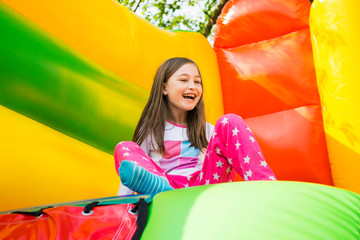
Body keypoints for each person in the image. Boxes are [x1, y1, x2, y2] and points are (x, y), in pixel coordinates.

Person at [114, 57, 276, 196]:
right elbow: (132, 168)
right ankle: (162, 188)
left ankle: (266, 186)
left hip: (204, 186)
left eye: (197, 82)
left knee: (229, 121)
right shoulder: (151, 130)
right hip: (167, 186)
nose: (192, 86)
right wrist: (122, 207)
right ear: (164, 88)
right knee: (124, 147)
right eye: (184, 80)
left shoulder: (209, 131)